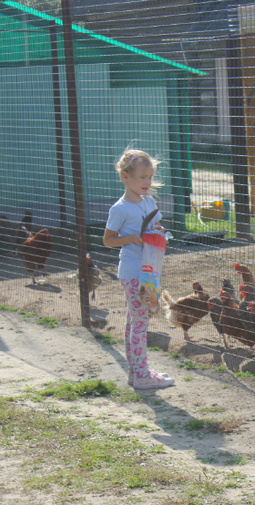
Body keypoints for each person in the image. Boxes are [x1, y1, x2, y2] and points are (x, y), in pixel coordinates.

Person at [103, 149, 175, 390]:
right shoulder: (120, 209)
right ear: (125, 177)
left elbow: (156, 224)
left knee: (133, 321)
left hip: (150, 270)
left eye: (150, 177)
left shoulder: (149, 202)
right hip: (133, 272)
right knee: (140, 322)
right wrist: (132, 238)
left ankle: (136, 373)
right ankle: (142, 374)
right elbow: (108, 240)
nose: (147, 182)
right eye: (142, 177)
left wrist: (159, 231)